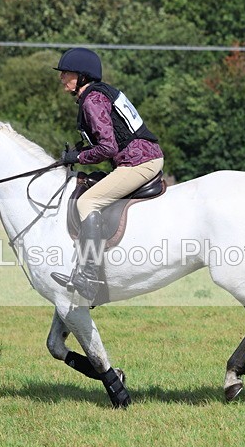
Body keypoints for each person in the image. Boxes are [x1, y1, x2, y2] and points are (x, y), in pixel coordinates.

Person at [50, 48, 164, 301]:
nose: (61, 78)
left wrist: (77, 158)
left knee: (87, 201)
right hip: (140, 158)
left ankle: (89, 277)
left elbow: (108, 148)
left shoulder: (93, 100)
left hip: (138, 163)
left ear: (81, 76)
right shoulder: (101, 94)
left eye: (65, 73)